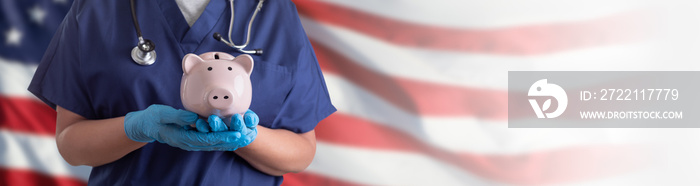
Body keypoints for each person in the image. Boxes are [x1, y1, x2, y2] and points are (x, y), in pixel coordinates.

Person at [28, 0, 335, 185]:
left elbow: (302, 150)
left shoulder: (272, 12)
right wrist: (138, 128)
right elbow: (70, 142)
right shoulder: (98, 9)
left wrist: (245, 138)